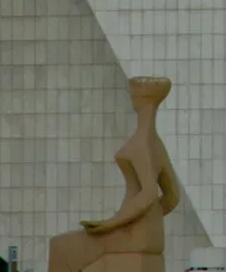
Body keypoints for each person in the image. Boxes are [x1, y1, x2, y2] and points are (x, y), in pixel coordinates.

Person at [48, 76, 181, 272]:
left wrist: (113, 223)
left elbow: (149, 192)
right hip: (150, 232)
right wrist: (149, 219)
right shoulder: (157, 144)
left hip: (133, 232)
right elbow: (173, 196)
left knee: (60, 247)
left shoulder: (140, 142)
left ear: (139, 99)